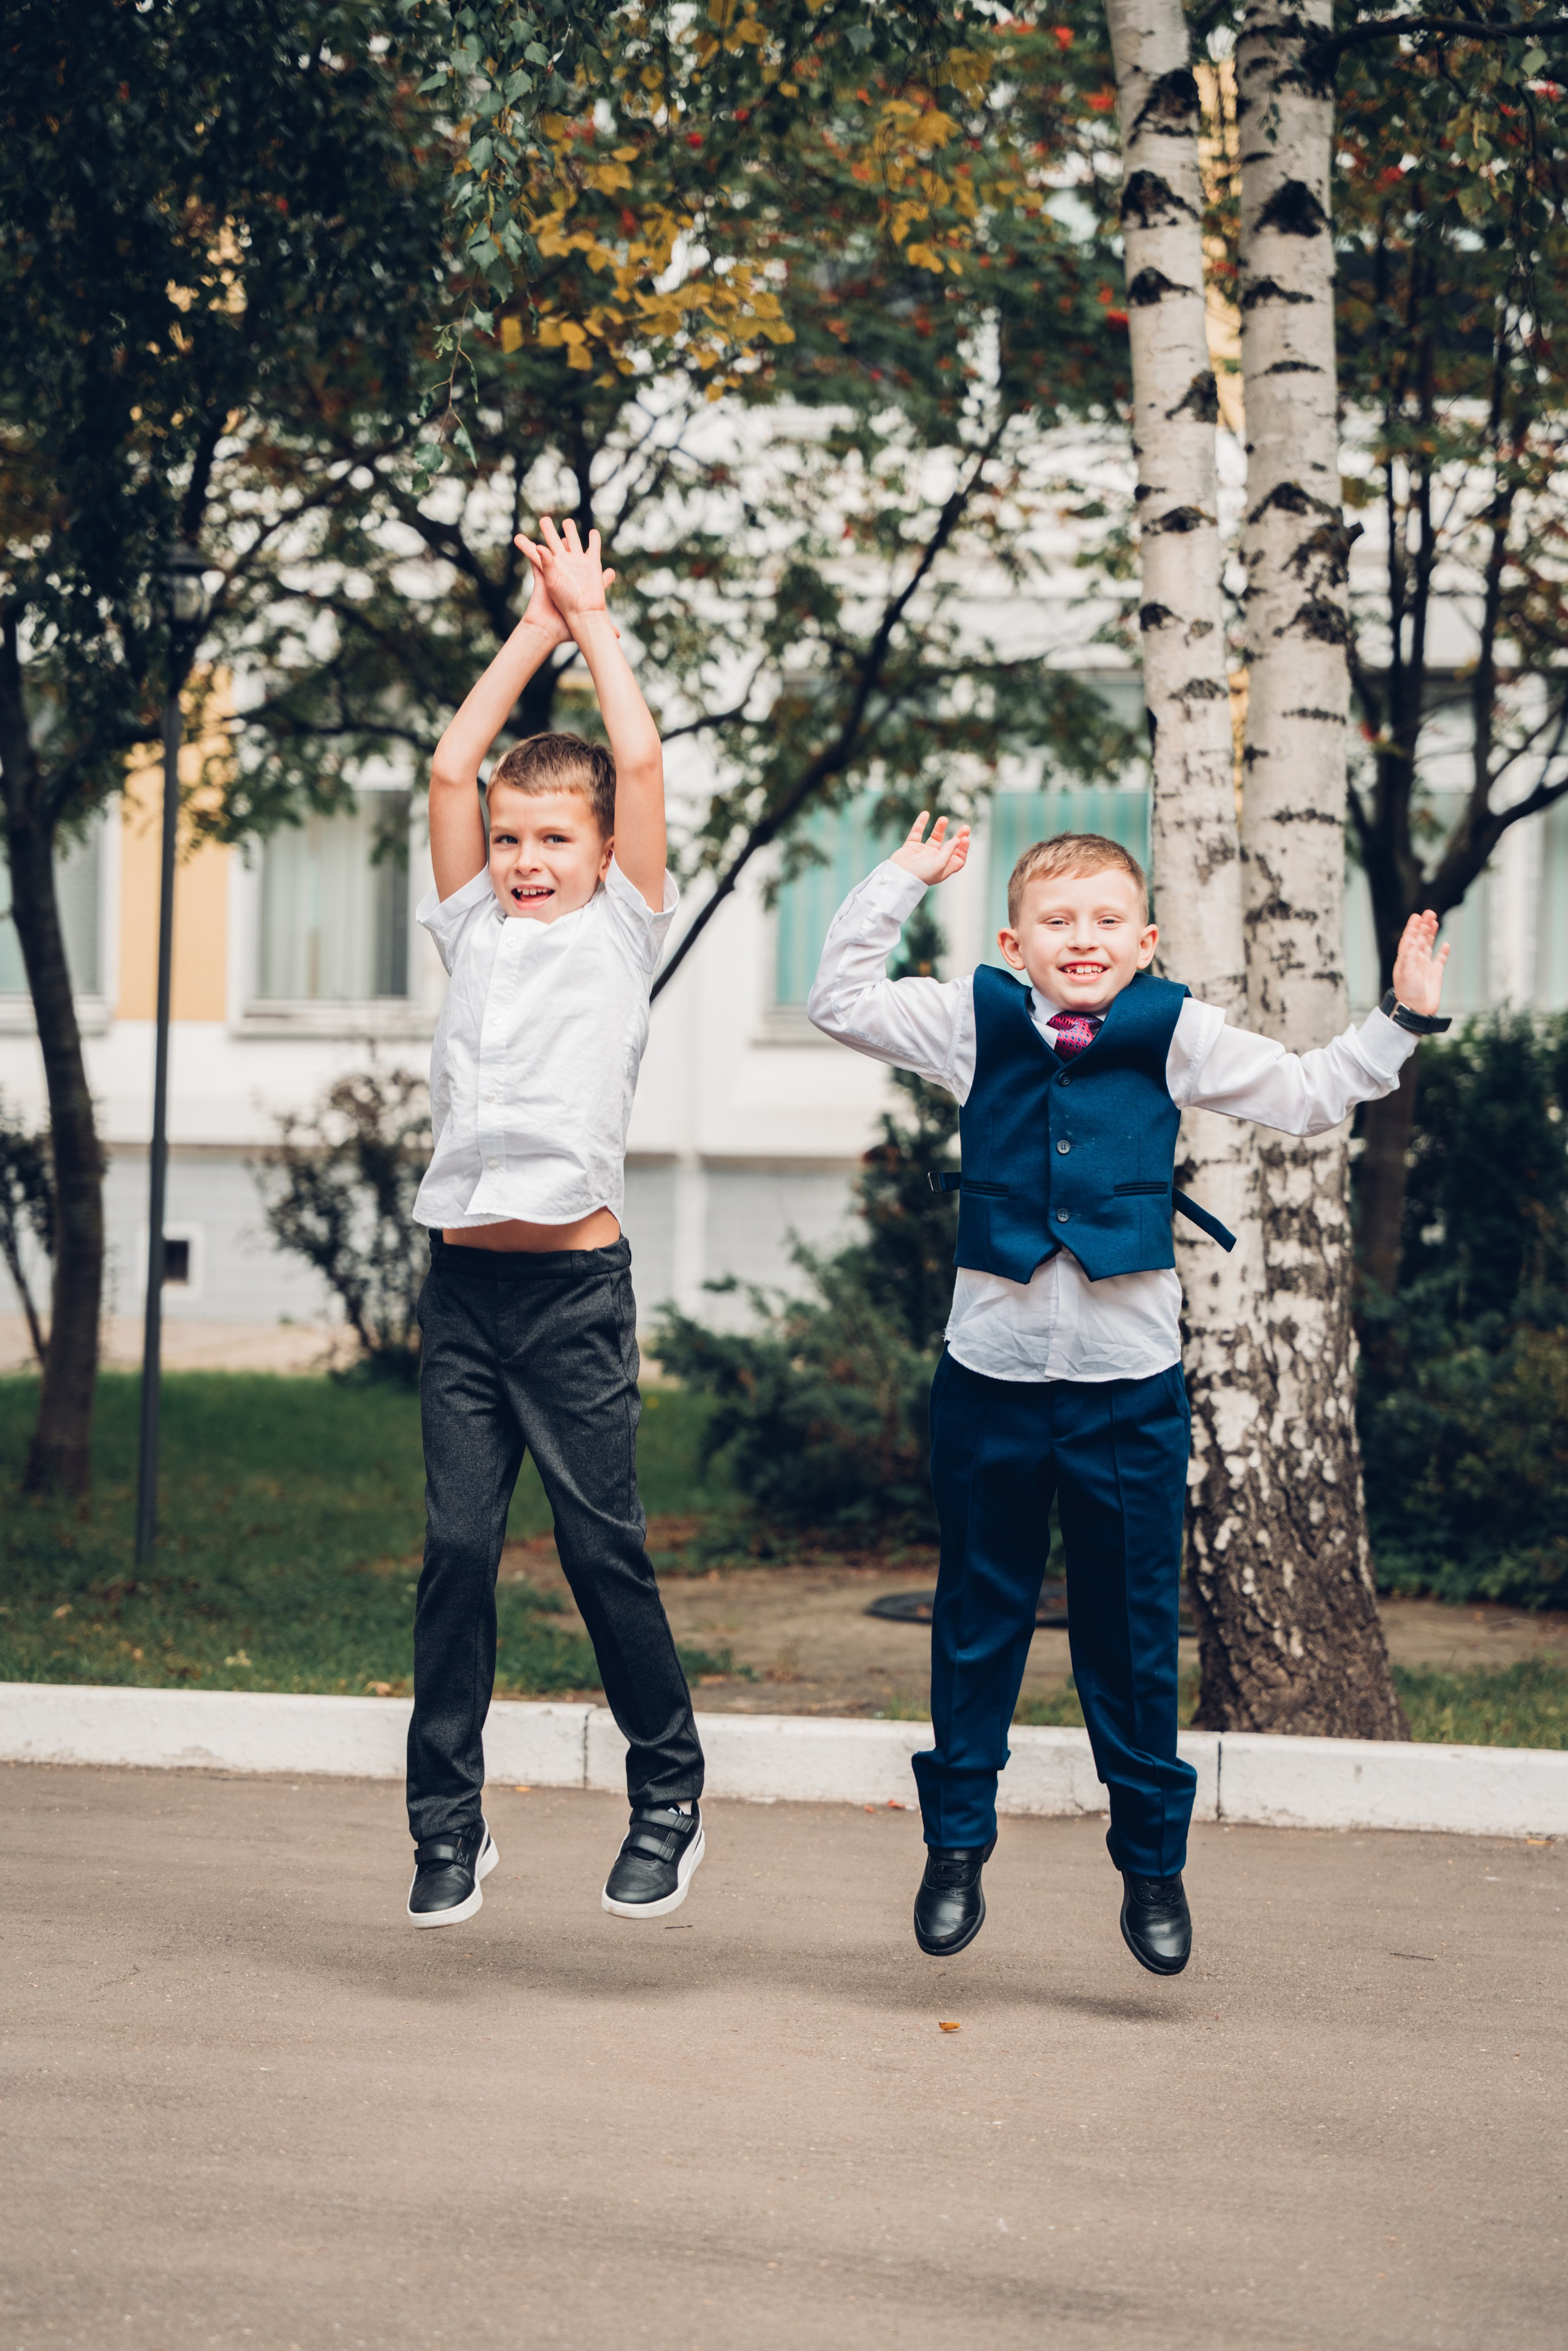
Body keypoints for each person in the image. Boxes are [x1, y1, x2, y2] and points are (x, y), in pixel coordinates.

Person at [807, 817, 1450, 1974]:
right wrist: (903, 875)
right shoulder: (973, 1018)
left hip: (1127, 1388)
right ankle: (956, 1844)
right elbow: (839, 997)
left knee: (1133, 1635)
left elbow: (1308, 1094)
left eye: (1108, 920)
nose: (1084, 938)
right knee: (978, 1619)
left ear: (1146, 940)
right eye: (1058, 921)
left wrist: (1399, 1017)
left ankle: (1152, 1864)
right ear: (1016, 940)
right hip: (991, 1380)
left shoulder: (1174, 1030)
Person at [403, 516, 704, 1930]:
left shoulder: (618, 930)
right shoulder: (471, 927)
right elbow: (452, 764)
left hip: (573, 1300)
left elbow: (638, 760)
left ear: (599, 855)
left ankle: (668, 1792)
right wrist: (524, 626)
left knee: (600, 1553)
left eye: (550, 841)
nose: (524, 859)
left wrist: (588, 622)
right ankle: (445, 1825)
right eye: (510, 842)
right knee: (457, 1549)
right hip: (462, 1296)